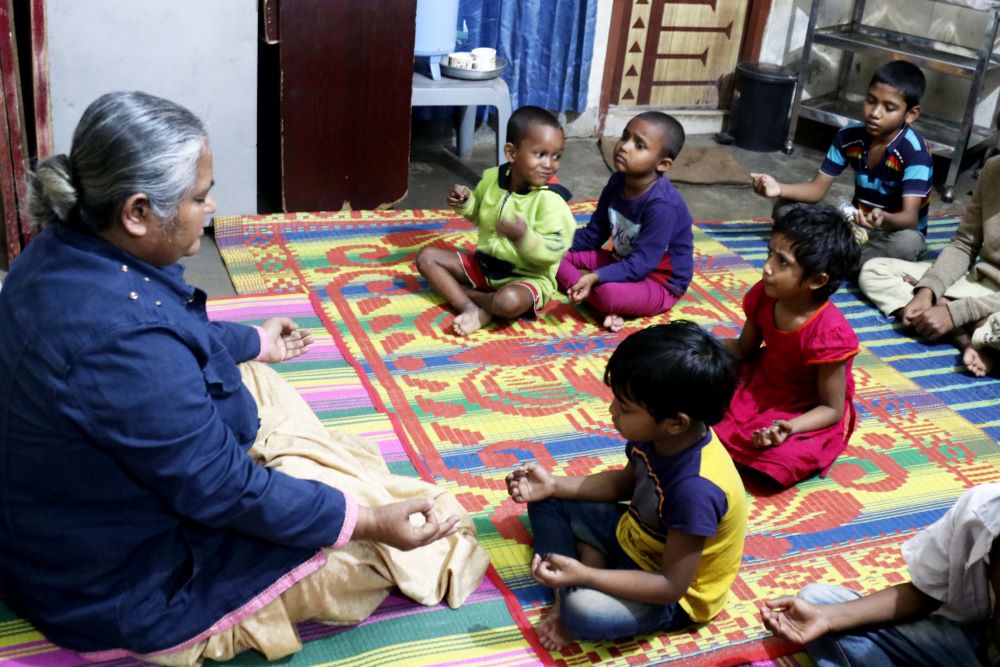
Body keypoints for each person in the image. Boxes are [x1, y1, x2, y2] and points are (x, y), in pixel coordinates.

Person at [0, 91, 488, 665]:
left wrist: (254, 339)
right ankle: (347, 501)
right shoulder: (124, 345)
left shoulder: (63, 244)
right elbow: (221, 487)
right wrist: (371, 522)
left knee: (255, 379)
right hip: (114, 581)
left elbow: (168, 330)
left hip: (56, 517)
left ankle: (324, 485)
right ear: (136, 212)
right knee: (402, 555)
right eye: (200, 198)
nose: (210, 209)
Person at [505, 321, 746, 650]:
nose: (611, 411)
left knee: (581, 612)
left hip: (671, 594)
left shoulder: (697, 489)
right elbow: (624, 484)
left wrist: (585, 576)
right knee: (547, 499)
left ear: (676, 422)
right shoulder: (656, 437)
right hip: (635, 537)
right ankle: (582, 570)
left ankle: (574, 585)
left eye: (625, 407)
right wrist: (553, 484)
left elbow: (670, 586)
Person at [761, 483, 1000, 666]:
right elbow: (925, 593)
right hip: (972, 639)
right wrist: (825, 618)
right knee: (816, 600)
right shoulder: (981, 509)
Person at [714, 204, 861, 487]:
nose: (767, 267)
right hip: (761, 383)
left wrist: (789, 428)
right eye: (770, 253)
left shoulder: (830, 334)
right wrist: (697, 346)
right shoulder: (764, 295)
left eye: (783, 262)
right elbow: (745, 350)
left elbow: (831, 409)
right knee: (697, 393)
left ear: (817, 280)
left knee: (785, 457)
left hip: (804, 410)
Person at [750, 60, 933, 269]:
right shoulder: (849, 136)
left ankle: (827, 256)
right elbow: (816, 189)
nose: (875, 113)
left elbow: (910, 219)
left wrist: (883, 219)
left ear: (911, 114)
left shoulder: (915, 151)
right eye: (871, 101)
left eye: (889, 108)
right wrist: (778, 188)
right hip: (855, 227)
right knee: (785, 208)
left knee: (908, 244)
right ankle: (844, 259)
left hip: (892, 233)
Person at [415, 105, 575, 336]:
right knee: (427, 258)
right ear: (511, 153)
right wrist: (466, 201)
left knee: (507, 302)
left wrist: (524, 238)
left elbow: (553, 252)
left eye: (556, 156)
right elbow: (480, 214)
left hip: (527, 279)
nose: (549, 164)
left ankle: (466, 295)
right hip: (485, 266)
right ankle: (471, 308)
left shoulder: (552, 200)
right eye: (540, 154)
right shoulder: (493, 179)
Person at [859, 155, 1000, 377]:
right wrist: (928, 290)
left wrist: (956, 312)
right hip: (980, 283)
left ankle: (961, 321)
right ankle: (968, 337)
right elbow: (964, 244)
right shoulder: (994, 168)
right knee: (876, 270)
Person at [555, 111, 693, 333]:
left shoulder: (663, 206)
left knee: (606, 294)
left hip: (658, 281)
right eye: (625, 136)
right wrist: (553, 245)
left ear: (663, 164)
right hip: (619, 260)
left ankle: (593, 291)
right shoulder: (617, 180)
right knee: (549, 258)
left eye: (639, 145)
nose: (624, 146)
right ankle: (590, 290)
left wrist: (596, 276)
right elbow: (594, 234)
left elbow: (641, 264)